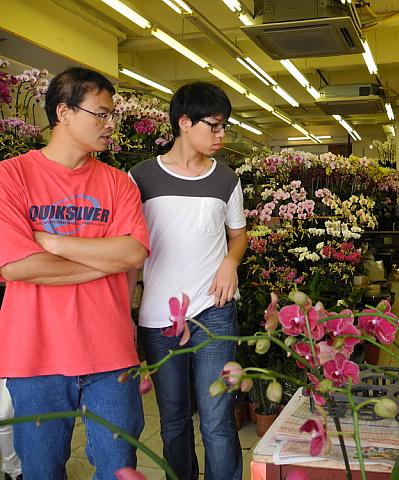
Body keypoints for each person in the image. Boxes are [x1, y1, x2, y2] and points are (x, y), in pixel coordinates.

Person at [0, 67, 150, 478]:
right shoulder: (10, 177)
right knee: (42, 471)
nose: (110, 125)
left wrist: (50, 241)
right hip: (35, 355)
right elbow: (17, 265)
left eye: (112, 115)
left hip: (110, 352)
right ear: (64, 112)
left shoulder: (119, 184)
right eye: (100, 114)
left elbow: (133, 253)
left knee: (119, 468)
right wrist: (103, 260)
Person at [129, 82, 248, 480]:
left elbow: (238, 234)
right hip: (159, 317)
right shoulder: (141, 177)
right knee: (174, 420)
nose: (221, 135)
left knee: (217, 418)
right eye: (214, 126)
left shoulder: (227, 180)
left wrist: (231, 261)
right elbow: (131, 248)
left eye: (224, 126)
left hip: (214, 311)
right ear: (184, 122)